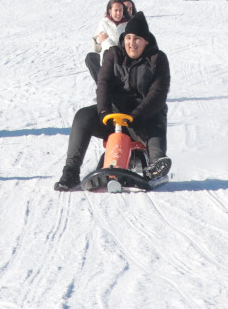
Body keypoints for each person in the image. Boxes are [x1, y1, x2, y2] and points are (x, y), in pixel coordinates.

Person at [54, 13, 170, 191]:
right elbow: (103, 84)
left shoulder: (157, 59)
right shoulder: (113, 54)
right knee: (83, 116)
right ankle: (70, 172)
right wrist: (103, 112)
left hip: (144, 118)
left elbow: (158, 94)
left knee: (157, 121)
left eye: (137, 39)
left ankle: (156, 167)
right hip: (113, 116)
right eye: (128, 38)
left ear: (146, 41)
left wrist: (136, 116)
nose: (131, 43)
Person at [86, 0, 128, 79]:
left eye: (121, 10)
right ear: (110, 11)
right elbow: (101, 44)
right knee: (90, 58)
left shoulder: (127, 24)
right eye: (116, 10)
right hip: (108, 58)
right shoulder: (104, 23)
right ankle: (102, 84)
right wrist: (98, 40)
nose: (119, 13)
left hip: (123, 59)